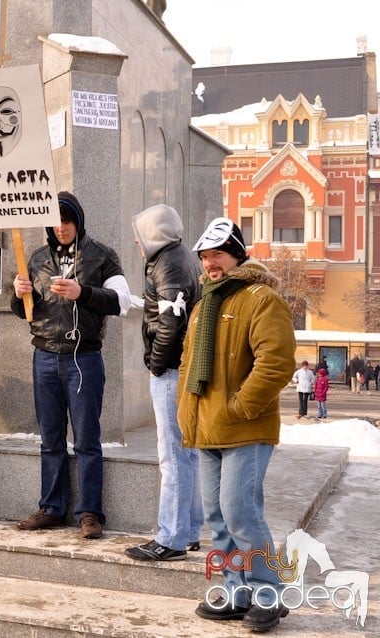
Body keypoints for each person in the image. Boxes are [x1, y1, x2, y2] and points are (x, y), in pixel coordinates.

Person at [179, 218, 295, 632]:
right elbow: (188, 364)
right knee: (217, 518)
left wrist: (239, 406)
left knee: (241, 511)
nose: (211, 263)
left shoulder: (261, 298)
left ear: (237, 256)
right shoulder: (202, 305)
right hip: (208, 427)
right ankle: (235, 591)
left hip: (245, 427)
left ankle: (269, 592)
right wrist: (185, 412)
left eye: (219, 255)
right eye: (206, 256)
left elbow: (277, 362)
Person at [11, 192, 132, 540]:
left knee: (87, 439)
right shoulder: (35, 258)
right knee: (50, 438)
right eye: (55, 220)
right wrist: (17, 295)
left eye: (67, 220)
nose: (61, 227)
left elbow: (121, 301)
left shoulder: (101, 255)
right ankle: (51, 507)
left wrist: (83, 293)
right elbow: (25, 313)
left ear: (78, 221)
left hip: (84, 357)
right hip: (45, 355)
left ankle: (90, 513)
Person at [125, 204, 203, 562]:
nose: (136, 243)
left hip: (171, 370)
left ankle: (170, 537)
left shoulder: (167, 263)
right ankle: (188, 529)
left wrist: (156, 365)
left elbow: (171, 320)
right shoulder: (180, 256)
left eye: (140, 235)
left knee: (172, 456)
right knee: (185, 455)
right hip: (181, 368)